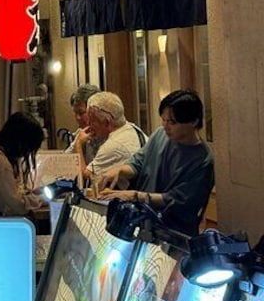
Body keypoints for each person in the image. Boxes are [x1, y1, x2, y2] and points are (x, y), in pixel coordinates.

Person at [98, 90, 215, 236]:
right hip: (141, 225)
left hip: (172, 232)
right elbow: (138, 163)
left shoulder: (203, 161)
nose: (165, 126)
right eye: (163, 120)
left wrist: (135, 196)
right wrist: (120, 171)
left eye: (172, 122)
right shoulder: (160, 134)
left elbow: (175, 200)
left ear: (193, 121)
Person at [83, 91, 147, 182]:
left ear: (107, 122)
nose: (88, 124)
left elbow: (87, 178)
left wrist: (78, 144)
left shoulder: (113, 145)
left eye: (92, 121)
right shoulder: (132, 128)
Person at [65, 84, 102, 169]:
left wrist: (78, 145)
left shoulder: (107, 135)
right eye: (75, 113)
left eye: (81, 113)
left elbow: (90, 174)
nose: (77, 118)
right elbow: (65, 161)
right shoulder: (81, 133)